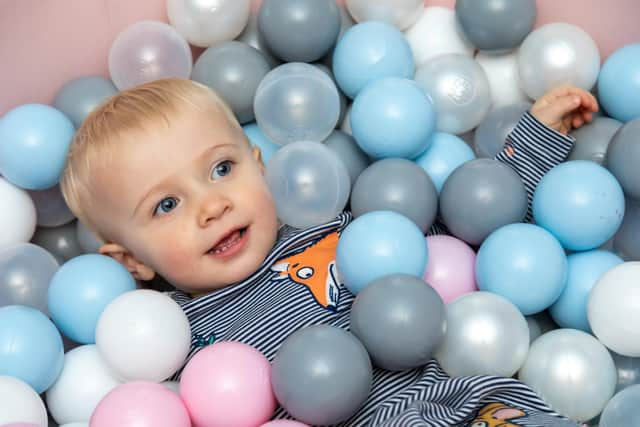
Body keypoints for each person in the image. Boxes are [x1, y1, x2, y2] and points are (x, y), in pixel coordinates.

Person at [60, 78, 597, 426]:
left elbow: (466, 227)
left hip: (452, 406)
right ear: (133, 263)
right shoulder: (174, 339)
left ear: (260, 166)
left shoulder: (337, 232)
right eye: (167, 204)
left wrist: (535, 142)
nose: (212, 206)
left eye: (222, 170)